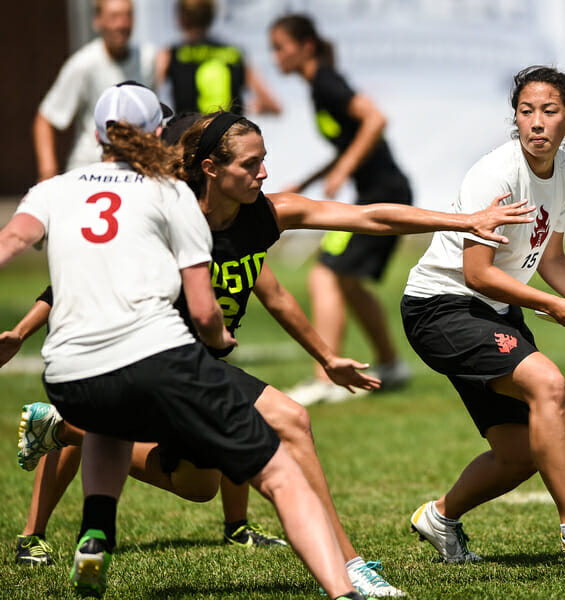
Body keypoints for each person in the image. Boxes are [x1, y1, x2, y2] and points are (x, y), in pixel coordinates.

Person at [6, 108, 533, 596]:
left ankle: (66, 426)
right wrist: (26, 328)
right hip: (158, 359)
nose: (263, 174)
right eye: (251, 164)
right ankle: (350, 566)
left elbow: (368, 217)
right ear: (211, 169)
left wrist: (461, 221)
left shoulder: (265, 215)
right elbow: (78, 276)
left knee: (198, 484)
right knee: (292, 420)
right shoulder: (167, 214)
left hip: (197, 366)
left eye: (264, 162)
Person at [1, 82, 370, 600]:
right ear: (157, 133)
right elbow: (203, 307)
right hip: (161, 354)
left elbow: (18, 245)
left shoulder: (59, 189)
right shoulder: (171, 198)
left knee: (177, 469)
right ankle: (348, 580)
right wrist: (219, 340)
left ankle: (94, 517)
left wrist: (19, 331)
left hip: (72, 367)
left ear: (94, 133)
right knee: (284, 440)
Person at [401, 66, 565, 569]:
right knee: (548, 384)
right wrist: (553, 305)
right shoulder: (495, 174)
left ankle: (439, 518)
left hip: (493, 311)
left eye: (549, 112)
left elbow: (551, 259)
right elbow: (477, 274)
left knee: (521, 455)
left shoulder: (564, 171)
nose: (536, 123)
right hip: (441, 308)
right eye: (526, 112)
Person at [269, 14, 415, 405]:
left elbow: (375, 120)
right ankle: (391, 365)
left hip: (383, 193)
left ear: (306, 47)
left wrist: (345, 170)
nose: (275, 56)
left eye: (280, 47)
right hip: (380, 191)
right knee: (346, 280)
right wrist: (307, 183)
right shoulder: (319, 86)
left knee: (325, 274)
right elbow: (345, 143)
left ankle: (325, 377)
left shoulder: (326, 83)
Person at [33, 0, 156, 181]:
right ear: (97, 21)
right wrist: (47, 175)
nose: (122, 24)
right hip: (90, 170)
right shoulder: (84, 64)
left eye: (127, 15)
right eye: (114, 17)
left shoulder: (146, 59)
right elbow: (45, 120)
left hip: (134, 171)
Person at [155, 0, 281, 116]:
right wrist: (241, 109)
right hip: (230, 135)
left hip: (190, 134)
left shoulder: (170, 54)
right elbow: (272, 105)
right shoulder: (234, 53)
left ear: (181, 19)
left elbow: (148, 96)